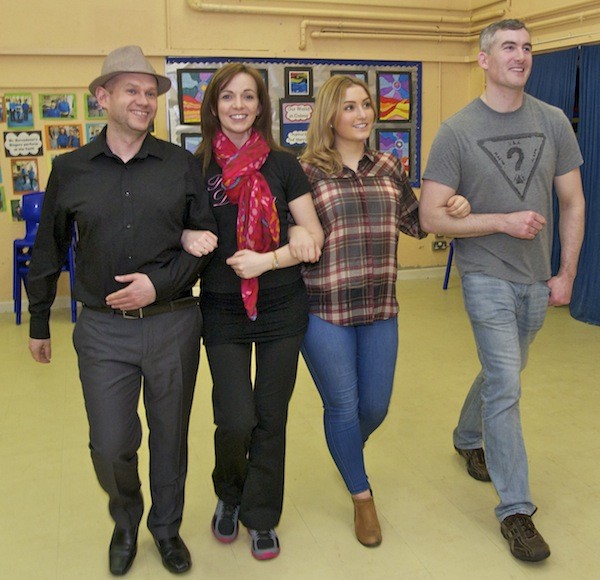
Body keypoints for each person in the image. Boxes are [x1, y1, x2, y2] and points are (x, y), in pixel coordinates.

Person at [27, 45, 218, 576]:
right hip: (102, 331)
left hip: (174, 322)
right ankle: (126, 519)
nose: (143, 100)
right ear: (102, 96)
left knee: (170, 438)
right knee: (111, 444)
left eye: (149, 92)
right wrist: (39, 320)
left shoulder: (182, 165)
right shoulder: (70, 169)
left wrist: (156, 287)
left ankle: (166, 530)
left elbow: (206, 243)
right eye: (130, 90)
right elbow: (48, 248)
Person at [419, 19, 585, 562]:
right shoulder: (457, 131)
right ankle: (516, 511)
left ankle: (468, 436)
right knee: (508, 385)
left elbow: (573, 203)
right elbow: (430, 217)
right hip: (485, 273)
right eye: (509, 47)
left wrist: (566, 274)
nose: (521, 55)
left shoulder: (554, 121)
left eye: (528, 48)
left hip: (537, 277)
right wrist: (499, 222)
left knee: (503, 372)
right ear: (485, 60)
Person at [298, 75, 471, 547]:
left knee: (374, 406)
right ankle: (361, 496)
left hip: (379, 305)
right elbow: (290, 234)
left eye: (366, 105)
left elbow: (417, 223)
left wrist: (454, 207)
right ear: (330, 116)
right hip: (324, 306)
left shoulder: (390, 164)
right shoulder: (306, 171)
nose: (362, 114)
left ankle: (347, 448)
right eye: (350, 106)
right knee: (343, 405)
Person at [181, 63, 324, 561]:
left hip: (282, 305)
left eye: (248, 97)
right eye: (228, 97)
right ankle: (229, 491)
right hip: (221, 309)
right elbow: (175, 227)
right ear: (213, 106)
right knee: (235, 417)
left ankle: (261, 515)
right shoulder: (196, 167)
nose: (238, 106)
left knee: (271, 416)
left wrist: (272, 257)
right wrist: (184, 235)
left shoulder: (284, 164)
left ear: (261, 106)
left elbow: (312, 235)